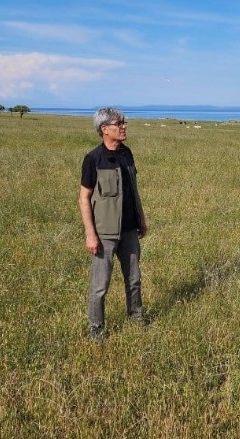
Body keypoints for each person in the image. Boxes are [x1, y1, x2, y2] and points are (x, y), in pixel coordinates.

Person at [78, 107, 148, 341]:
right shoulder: (92, 159)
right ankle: (96, 329)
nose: (124, 127)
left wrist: (141, 218)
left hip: (129, 230)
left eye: (124, 123)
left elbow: (133, 190)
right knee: (100, 285)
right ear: (104, 129)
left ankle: (137, 319)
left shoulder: (127, 154)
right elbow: (84, 198)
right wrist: (90, 234)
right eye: (119, 124)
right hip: (104, 233)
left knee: (134, 279)